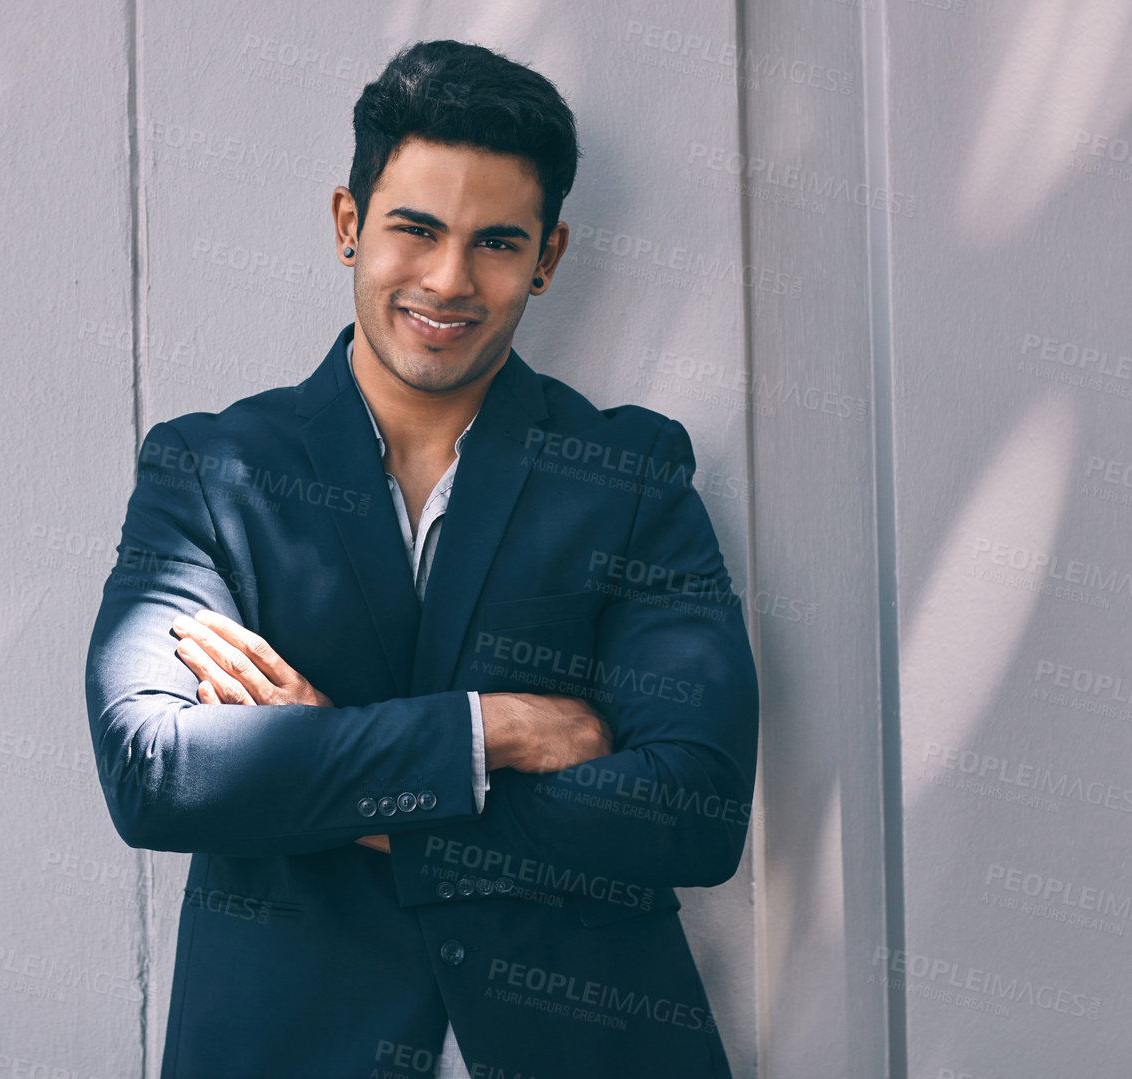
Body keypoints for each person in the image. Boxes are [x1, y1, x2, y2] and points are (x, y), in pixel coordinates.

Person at [84, 39, 758, 1079]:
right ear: (349, 226)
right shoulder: (212, 469)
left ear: (547, 254)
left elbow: (692, 809)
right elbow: (156, 770)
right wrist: (488, 730)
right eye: (416, 229)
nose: (449, 279)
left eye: (495, 241)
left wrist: (326, 771)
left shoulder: (627, 472)